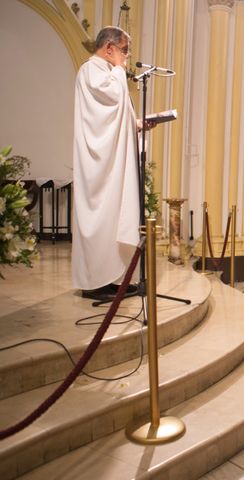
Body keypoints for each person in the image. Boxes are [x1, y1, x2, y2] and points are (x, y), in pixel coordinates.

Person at [72, 26, 142, 300]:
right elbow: (109, 100)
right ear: (109, 48)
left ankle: (113, 278)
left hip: (111, 164)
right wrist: (118, 70)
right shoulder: (93, 70)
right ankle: (94, 282)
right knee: (100, 219)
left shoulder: (104, 71)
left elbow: (114, 113)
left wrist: (135, 125)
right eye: (124, 50)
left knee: (113, 220)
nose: (126, 56)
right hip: (98, 166)